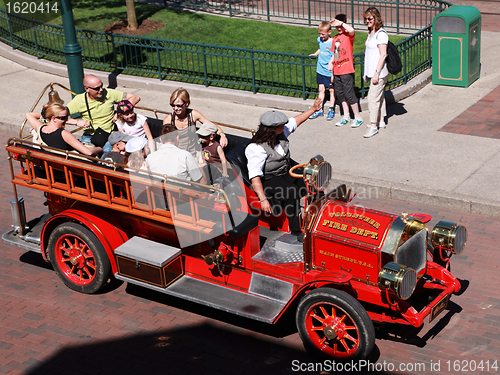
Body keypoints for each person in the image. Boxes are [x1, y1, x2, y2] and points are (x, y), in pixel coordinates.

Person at [245, 98, 322, 242]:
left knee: (312, 177)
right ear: (273, 128)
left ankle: (319, 213)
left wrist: (313, 109)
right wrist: (263, 199)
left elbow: (296, 121)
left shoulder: (280, 132)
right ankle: (296, 230)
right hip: (269, 178)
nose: (285, 126)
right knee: (290, 191)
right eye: (282, 125)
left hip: (286, 170)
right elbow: (255, 176)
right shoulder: (256, 148)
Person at [66, 74, 140, 152]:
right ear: (87, 89)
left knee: (108, 155)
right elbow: (56, 116)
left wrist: (120, 112)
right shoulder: (79, 100)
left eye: (101, 86)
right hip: (91, 135)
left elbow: (135, 98)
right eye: (97, 88)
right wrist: (76, 122)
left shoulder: (108, 93)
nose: (101, 90)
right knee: (86, 154)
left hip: (110, 135)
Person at [162, 88, 227, 158]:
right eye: (172, 105)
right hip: (175, 156)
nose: (175, 108)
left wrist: (222, 135)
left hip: (191, 155)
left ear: (186, 103)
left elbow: (211, 125)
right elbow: (165, 142)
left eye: (178, 105)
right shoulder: (168, 120)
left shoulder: (193, 114)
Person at [26, 103, 102, 157]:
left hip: (53, 166)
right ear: (53, 118)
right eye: (64, 118)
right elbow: (88, 152)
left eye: (67, 117)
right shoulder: (64, 133)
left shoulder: (40, 128)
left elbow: (29, 115)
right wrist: (100, 149)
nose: (66, 120)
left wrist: (49, 114)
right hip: (69, 169)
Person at [328, 14, 364, 128]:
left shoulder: (348, 35)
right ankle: (346, 116)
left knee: (349, 93)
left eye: (340, 26)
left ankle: (358, 117)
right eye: (336, 27)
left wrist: (341, 23)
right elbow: (335, 53)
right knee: (340, 94)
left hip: (347, 70)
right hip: (337, 70)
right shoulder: (335, 38)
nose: (338, 29)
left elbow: (352, 30)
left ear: (344, 24)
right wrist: (331, 63)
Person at [363, 7, 388, 138]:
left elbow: (383, 55)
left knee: (372, 98)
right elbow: (369, 54)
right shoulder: (371, 32)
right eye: (366, 18)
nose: (367, 21)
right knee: (380, 97)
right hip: (372, 72)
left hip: (379, 72)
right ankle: (381, 120)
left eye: (370, 18)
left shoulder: (381, 34)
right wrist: (366, 72)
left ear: (376, 19)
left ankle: (373, 125)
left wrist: (376, 73)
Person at [309, 22, 336, 121]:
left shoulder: (333, 42)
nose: (321, 36)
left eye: (323, 34)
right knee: (321, 89)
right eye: (319, 34)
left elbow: (335, 55)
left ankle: (331, 109)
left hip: (329, 71)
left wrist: (332, 68)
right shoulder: (320, 40)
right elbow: (320, 48)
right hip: (320, 70)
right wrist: (315, 54)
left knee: (331, 90)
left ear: (329, 32)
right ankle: (319, 109)